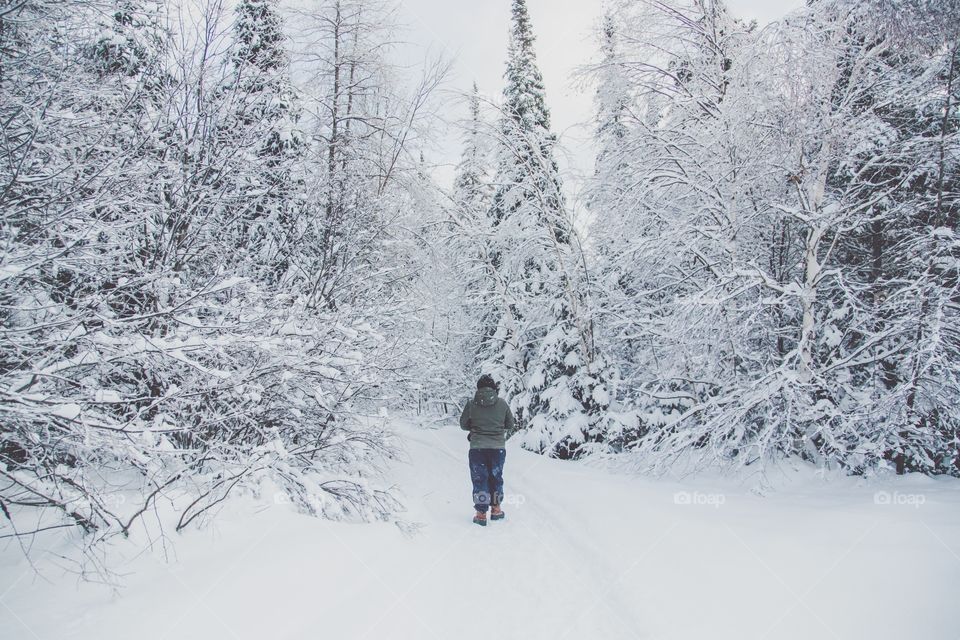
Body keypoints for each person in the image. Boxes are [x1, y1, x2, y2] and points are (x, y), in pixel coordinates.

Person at [460, 374, 515, 527]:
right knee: (496, 477)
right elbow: (510, 424)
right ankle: (496, 509)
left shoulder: (471, 404)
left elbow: (463, 425)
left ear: (478, 388)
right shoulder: (502, 404)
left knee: (480, 479)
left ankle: (481, 513)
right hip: (497, 448)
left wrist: (476, 425)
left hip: (477, 448)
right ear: (494, 388)